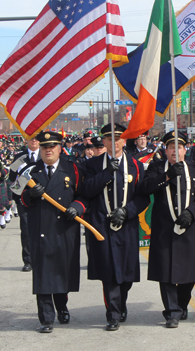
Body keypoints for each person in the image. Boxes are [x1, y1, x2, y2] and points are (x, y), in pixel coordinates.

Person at [79, 123, 149, 332]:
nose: (114, 142)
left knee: (125, 274)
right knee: (108, 272)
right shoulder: (92, 165)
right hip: (101, 224)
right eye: (109, 139)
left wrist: (128, 211)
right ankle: (113, 314)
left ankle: (121, 303)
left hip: (126, 224)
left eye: (118, 138)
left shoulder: (135, 165)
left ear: (125, 140)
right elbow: (86, 190)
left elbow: (143, 197)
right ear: (104, 141)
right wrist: (107, 173)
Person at [138, 130, 195, 328]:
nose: (175, 151)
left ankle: (181, 303)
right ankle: (171, 312)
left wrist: (192, 212)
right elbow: (145, 187)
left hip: (189, 227)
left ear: (184, 149)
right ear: (165, 150)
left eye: (178, 147)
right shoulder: (156, 167)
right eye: (171, 147)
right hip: (164, 228)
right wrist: (167, 175)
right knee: (166, 272)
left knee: (188, 273)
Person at [21, 131, 88, 333]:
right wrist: (29, 194)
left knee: (61, 272)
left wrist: (77, 207)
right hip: (40, 229)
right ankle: (46, 318)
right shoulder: (29, 171)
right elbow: (17, 195)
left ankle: (62, 306)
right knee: (42, 274)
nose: (48, 150)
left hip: (64, 229)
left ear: (60, 148)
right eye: (44, 147)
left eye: (52, 147)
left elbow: (84, 195)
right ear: (40, 149)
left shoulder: (73, 169)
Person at [8, 136, 41, 272]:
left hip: (42, 198)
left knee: (44, 229)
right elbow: (11, 177)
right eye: (30, 138)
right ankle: (28, 260)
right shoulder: (19, 157)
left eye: (36, 138)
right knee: (26, 231)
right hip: (24, 198)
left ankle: (43, 259)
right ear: (26, 140)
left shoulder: (46, 154)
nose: (33, 141)